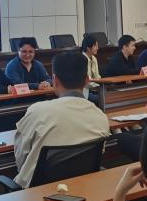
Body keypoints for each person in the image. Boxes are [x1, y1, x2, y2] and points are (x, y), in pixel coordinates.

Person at [13, 51, 110, 188]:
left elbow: (21, 156)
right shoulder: (100, 116)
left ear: (55, 80)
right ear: (87, 80)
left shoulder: (37, 111)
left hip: (38, 194)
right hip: (83, 189)